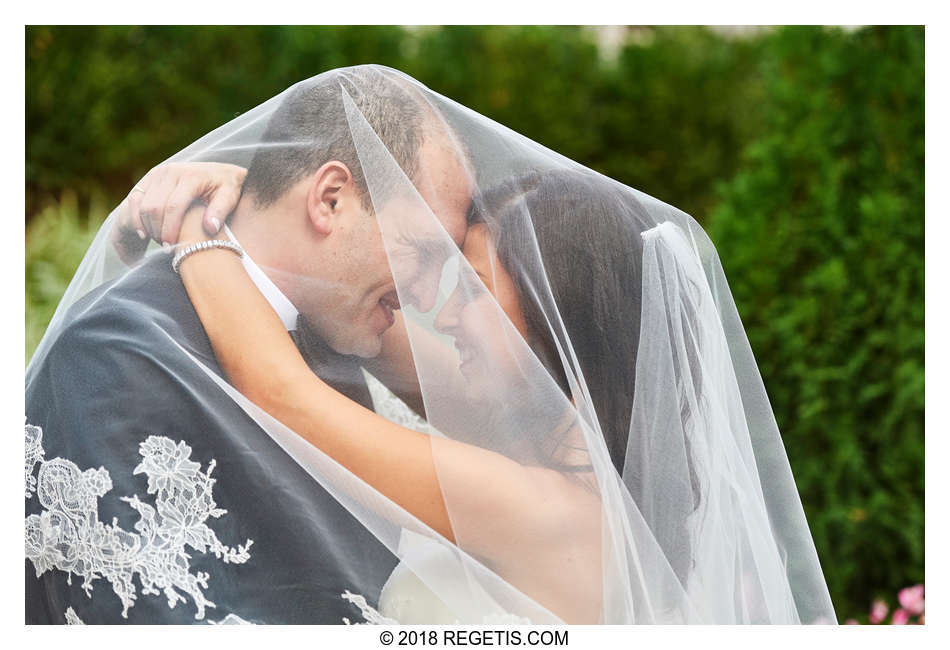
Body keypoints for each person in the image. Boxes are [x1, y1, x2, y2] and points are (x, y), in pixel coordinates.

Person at [27, 65, 837, 624]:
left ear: (561, 326)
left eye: (468, 285)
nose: (435, 306)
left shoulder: (546, 508)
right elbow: (349, 339)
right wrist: (234, 221)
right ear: (331, 196)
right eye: (432, 263)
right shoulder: (541, 447)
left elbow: (284, 395)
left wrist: (201, 232)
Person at [25, 65, 472, 624]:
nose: (428, 297)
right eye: (423, 251)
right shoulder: (113, 354)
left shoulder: (338, 329)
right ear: (329, 199)